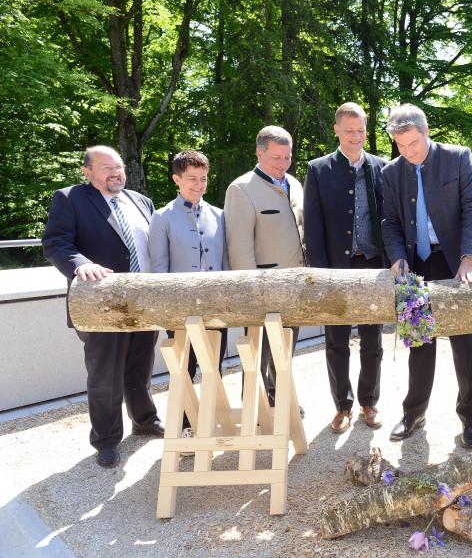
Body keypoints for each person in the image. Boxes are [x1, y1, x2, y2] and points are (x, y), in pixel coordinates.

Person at [42, 146, 164, 468]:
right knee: (105, 374)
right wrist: (81, 264)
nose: (115, 173)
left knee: (141, 365)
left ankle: (144, 420)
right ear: (87, 172)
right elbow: (56, 243)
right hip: (101, 303)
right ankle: (107, 440)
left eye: (119, 167)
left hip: (143, 300)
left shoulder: (141, 201)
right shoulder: (70, 199)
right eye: (106, 168)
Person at [381, 104, 472, 448]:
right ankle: (414, 413)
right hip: (416, 264)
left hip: (458, 261)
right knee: (418, 342)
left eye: (413, 144)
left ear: (426, 132)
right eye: (401, 146)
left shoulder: (458, 158)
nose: (408, 152)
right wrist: (398, 258)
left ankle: (471, 418)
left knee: (467, 345)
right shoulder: (390, 173)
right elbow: (390, 222)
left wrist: (470, 255)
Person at [304, 103, 388, 433]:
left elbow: (389, 219)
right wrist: (322, 275)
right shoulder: (318, 169)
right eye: (349, 129)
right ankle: (343, 405)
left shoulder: (381, 167)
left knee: (372, 340)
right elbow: (313, 226)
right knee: (336, 341)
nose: (355, 136)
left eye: (361, 130)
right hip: (335, 268)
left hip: (372, 266)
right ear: (336, 130)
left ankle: (369, 401)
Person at [148, 150, 229, 443]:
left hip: (216, 311)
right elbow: (158, 270)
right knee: (184, 371)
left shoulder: (220, 215)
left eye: (203, 178)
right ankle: (183, 426)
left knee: (213, 369)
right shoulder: (162, 218)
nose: (199, 184)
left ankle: (206, 424)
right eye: (192, 178)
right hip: (180, 313)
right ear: (177, 179)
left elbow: (227, 265)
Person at [224, 126, 305, 407]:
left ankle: (282, 401)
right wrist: (251, 292)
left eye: (288, 157)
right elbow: (239, 248)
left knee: (286, 352)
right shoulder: (241, 188)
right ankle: (254, 407)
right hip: (263, 289)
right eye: (276, 158)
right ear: (259, 153)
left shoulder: (294, 184)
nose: (283, 164)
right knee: (259, 355)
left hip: (296, 286)